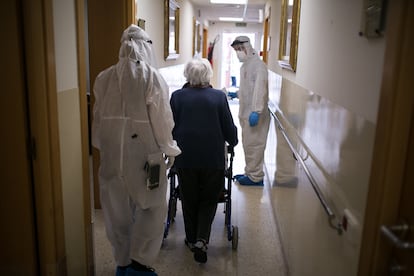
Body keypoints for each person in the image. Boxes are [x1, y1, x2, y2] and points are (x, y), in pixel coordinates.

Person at [92, 24, 181, 276]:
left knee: (116, 210)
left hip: (111, 158)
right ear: (145, 47)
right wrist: (169, 148)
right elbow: (163, 120)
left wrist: (106, 145)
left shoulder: (103, 76)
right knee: (151, 208)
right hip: (145, 158)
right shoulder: (152, 77)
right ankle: (140, 264)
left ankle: (122, 262)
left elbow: (97, 121)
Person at [170, 58, 238, 263]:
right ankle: (202, 240)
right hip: (213, 159)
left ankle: (191, 239)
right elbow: (230, 132)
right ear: (208, 75)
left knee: (189, 198)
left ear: (187, 75)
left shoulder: (177, 97)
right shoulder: (218, 97)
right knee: (209, 199)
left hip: (185, 157)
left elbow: (169, 128)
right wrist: (233, 141)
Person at [230, 36, 270, 186]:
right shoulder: (246, 66)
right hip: (246, 113)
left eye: (240, 49)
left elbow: (260, 89)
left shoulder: (258, 66)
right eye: (236, 50)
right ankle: (250, 172)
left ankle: (256, 177)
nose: (238, 53)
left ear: (247, 47)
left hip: (255, 115)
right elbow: (248, 90)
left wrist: (257, 111)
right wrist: (237, 94)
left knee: (255, 146)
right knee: (248, 145)